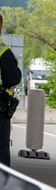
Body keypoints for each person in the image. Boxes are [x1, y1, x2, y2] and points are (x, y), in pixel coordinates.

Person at [0, 14, 22, 168]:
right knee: (1, 152)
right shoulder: (3, 51)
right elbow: (12, 79)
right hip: (0, 109)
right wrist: (16, 66)